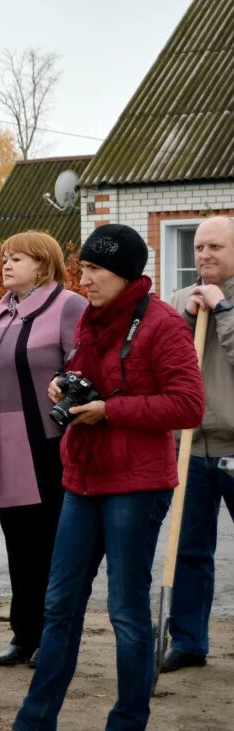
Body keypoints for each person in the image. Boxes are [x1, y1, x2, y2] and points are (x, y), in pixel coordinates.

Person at [13, 224, 205, 730]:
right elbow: (87, 374)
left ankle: (127, 721)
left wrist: (110, 411)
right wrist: (64, 385)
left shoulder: (163, 324)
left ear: (123, 273)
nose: (85, 280)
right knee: (59, 607)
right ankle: (34, 722)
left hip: (137, 486)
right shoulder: (91, 319)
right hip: (82, 478)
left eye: (94, 270)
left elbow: (188, 405)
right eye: (83, 269)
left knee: (126, 613)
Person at [0, 232, 86, 668]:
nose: (6, 265)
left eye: (18, 258)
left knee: (48, 545)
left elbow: (82, 369)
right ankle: (24, 633)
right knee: (17, 544)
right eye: (5, 258)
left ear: (44, 264)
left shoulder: (68, 306)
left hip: (47, 445)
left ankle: (52, 636)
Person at [163, 215, 234, 673]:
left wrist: (224, 310)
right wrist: (189, 315)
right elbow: (165, 364)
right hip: (190, 446)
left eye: (216, 248)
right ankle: (188, 641)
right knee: (188, 550)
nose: (204, 255)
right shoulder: (175, 304)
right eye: (199, 248)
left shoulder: (225, 305)